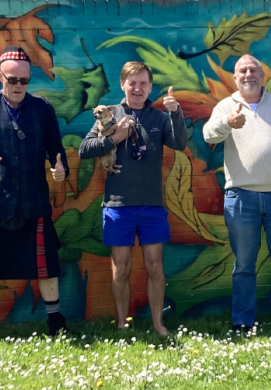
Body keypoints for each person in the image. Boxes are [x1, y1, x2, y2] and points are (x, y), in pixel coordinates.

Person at [0, 46, 70, 343]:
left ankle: (56, 325)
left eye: (24, 80)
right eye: (12, 80)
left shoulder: (43, 108)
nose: (19, 86)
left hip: (34, 202)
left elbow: (56, 151)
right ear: (0, 77)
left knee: (46, 267)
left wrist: (61, 169)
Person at [79, 61, 187, 336]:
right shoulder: (110, 114)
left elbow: (179, 143)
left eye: (143, 84)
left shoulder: (159, 117)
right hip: (117, 204)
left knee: (154, 265)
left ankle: (157, 324)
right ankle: (121, 323)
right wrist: (115, 138)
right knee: (121, 267)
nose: (137, 88)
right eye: (132, 83)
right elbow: (85, 149)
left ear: (150, 87)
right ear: (123, 85)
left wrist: (176, 113)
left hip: (151, 204)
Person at [203, 54, 271, 333]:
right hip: (240, 198)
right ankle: (243, 321)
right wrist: (228, 122)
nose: (248, 74)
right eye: (242, 71)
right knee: (244, 264)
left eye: (253, 70)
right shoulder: (227, 106)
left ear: (263, 75)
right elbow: (208, 135)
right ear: (235, 78)